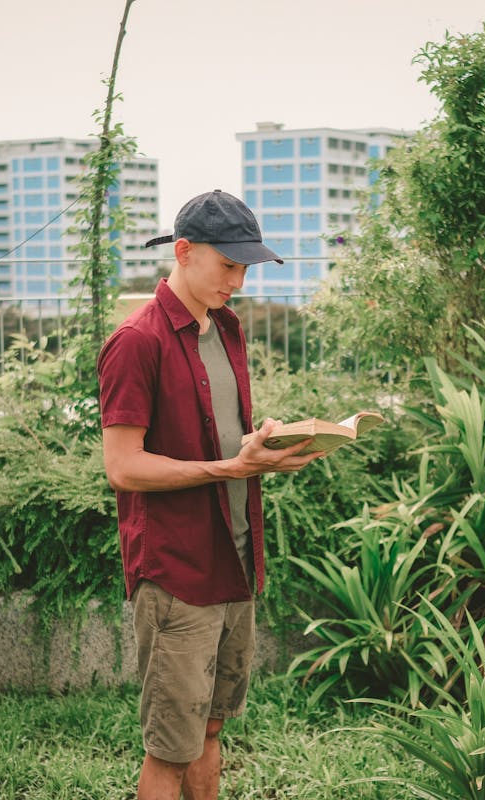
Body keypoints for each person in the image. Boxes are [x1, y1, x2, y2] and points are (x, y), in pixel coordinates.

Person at [97, 190, 322, 799]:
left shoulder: (225, 328)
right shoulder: (136, 340)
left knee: (213, 727)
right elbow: (123, 467)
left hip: (235, 557)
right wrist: (228, 468)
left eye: (247, 267)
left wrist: (265, 450)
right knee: (171, 748)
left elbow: (221, 437)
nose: (239, 280)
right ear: (184, 251)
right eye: (229, 265)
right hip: (177, 570)